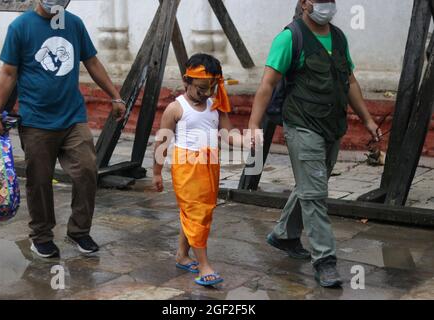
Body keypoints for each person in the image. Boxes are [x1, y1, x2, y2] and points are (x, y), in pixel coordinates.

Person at [248, 0, 382, 287]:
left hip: (332, 126)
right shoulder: (290, 37)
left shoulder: (339, 37)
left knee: (310, 186)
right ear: (305, 2)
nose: (328, 5)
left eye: (331, 1)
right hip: (302, 124)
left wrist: (368, 120)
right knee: (316, 194)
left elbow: (350, 82)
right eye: (321, 0)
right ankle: (325, 261)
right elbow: (267, 84)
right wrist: (252, 125)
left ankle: (284, 234)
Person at [0, 0, 126, 258]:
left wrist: (114, 96)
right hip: (36, 120)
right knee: (39, 181)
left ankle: (79, 231)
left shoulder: (74, 24)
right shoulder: (21, 27)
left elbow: (92, 62)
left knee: (86, 169)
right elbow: (7, 74)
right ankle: (41, 236)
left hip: (73, 117)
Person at [153, 53, 243, 287]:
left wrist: (245, 141)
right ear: (186, 81)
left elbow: (228, 134)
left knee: (201, 212)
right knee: (196, 214)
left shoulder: (216, 106)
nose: (206, 94)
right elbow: (161, 143)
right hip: (186, 168)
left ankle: (182, 255)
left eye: (211, 88)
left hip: (210, 165)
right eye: (201, 88)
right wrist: (156, 172)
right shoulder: (176, 108)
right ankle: (204, 266)